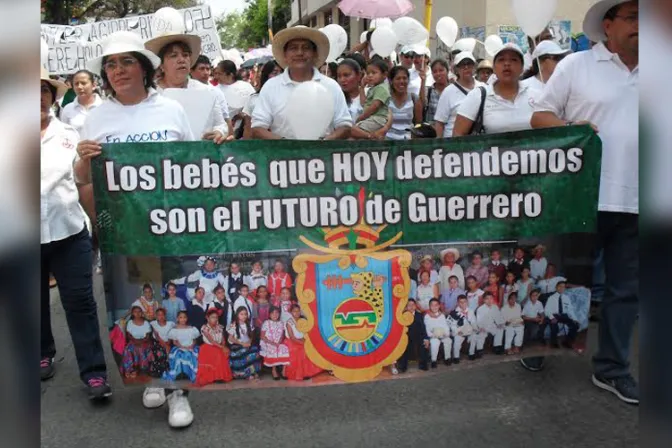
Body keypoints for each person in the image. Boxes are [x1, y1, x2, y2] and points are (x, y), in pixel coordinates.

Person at [75, 30, 196, 425]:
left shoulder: (171, 110)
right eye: (110, 64)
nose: (118, 70)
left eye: (127, 61)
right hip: (132, 234)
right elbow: (83, 180)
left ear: (144, 69)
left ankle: (180, 392)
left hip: (174, 228)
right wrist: (81, 159)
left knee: (175, 305)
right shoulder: (97, 117)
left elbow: (195, 168)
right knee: (148, 305)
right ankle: (155, 378)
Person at [529, 0, 639, 404]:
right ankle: (538, 346)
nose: (642, 26)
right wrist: (570, 126)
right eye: (632, 17)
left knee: (626, 290)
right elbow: (540, 116)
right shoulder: (577, 65)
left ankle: (612, 368)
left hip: (637, 200)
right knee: (563, 282)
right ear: (607, 26)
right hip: (580, 198)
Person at [40, 67, 111, 399]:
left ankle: (94, 372)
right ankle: (42, 353)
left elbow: (83, 179)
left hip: (68, 231)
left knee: (80, 301)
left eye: (43, 91)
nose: (36, 99)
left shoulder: (69, 134)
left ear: (53, 98)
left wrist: (98, 222)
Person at [252, 26, 352, 140]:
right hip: (282, 156)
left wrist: (326, 142)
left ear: (315, 54)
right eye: (293, 48)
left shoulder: (331, 86)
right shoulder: (271, 87)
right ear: (285, 55)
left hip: (323, 156)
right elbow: (258, 127)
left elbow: (345, 125)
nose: (300, 53)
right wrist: (288, 145)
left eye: (306, 48)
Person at [146, 33, 230, 143]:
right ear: (161, 65)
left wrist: (219, 133)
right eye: (173, 55)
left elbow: (221, 125)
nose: (181, 60)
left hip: (198, 158)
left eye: (185, 55)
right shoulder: (148, 94)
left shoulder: (207, 92)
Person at [452, 43, 540, 137]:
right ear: (494, 68)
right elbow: (458, 134)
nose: (507, 64)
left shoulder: (536, 96)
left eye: (513, 60)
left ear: (522, 67)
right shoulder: (478, 96)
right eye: (501, 60)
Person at [434, 52, 483, 138]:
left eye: (469, 64)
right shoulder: (448, 92)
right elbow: (439, 123)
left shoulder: (483, 88)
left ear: (474, 67)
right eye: (462, 65)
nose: (466, 67)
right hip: (454, 145)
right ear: (456, 69)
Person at [351, 59, 391, 140]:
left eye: (374, 73)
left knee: (353, 131)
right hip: (371, 119)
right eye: (368, 73)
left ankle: (373, 137)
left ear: (384, 75)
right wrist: (362, 87)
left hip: (377, 119)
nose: (370, 75)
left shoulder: (382, 88)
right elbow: (364, 103)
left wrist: (362, 117)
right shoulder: (373, 88)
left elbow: (374, 106)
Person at [242, 60, 282, 139]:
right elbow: (248, 129)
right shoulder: (254, 99)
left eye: (282, 72)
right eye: (275, 73)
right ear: (266, 75)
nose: (279, 76)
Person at [216, 60, 255, 137]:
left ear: (230, 75)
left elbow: (254, 106)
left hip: (244, 132)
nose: (216, 77)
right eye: (216, 73)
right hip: (223, 134)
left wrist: (243, 115)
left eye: (220, 74)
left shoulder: (246, 87)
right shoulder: (215, 90)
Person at [285, 304, 323, 380]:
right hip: (292, 342)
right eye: (294, 311)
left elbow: (307, 333)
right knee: (301, 352)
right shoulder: (289, 322)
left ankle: (308, 372)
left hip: (302, 339)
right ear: (291, 312)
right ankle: (301, 374)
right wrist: (304, 344)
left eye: (298, 311)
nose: (297, 313)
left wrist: (307, 342)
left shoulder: (303, 320)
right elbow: (292, 337)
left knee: (313, 348)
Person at [196, 308, 233, 386]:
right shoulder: (205, 328)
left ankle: (221, 376)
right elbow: (212, 341)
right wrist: (222, 348)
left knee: (225, 353)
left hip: (219, 345)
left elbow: (223, 339)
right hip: (208, 347)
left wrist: (224, 346)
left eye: (216, 317)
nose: (215, 319)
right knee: (218, 354)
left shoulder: (219, 327)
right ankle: (216, 377)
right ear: (207, 318)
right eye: (213, 317)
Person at [162, 310, 200, 383]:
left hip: (190, 347)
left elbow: (194, 340)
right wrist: (183, 347)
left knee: (192, 354)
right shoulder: (175, 330)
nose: (183, 319)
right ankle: (179, 374)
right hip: (180, 347)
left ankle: (190, 374)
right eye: (181, 317)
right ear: (177, 319)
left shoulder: (191, 328)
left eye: (184, 317)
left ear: (187, 318)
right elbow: (175, 342)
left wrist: (191, 346)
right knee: (180, 354)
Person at [385, 65, 423, 140]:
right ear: (391, 81)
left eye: (404, 78)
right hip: (388, 144)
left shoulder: (414, 99)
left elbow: (418, 124)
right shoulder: (385, 99)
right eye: (398, 78)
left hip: (408, 144)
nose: (402, 81)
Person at [227, 307, 262, 380]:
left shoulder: (248, 323)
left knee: (255, 350)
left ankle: (253, 372)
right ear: (237, 315)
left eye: (245, 314)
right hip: (237, 345)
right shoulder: (234, 325)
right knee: (245, 352)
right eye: (241, 314)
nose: (244, 316)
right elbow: (230, 338)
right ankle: (245, 374)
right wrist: (242, 344)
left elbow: (251, 336)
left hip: (247, 344)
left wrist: (249, 342)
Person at [396, 299, 430, 372]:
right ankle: (402, 366)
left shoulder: (419, 315)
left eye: (413, 305)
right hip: (406, 336)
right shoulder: (402, 315)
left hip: (418, 336)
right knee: (402, 345)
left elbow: (423, 328)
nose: (411, 307)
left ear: (415, 306)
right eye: (409, 305)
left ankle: (423, 365)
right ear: (406, 307)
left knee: (424, 344)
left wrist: (426, 338)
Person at [120, 306, 154, 378]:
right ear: (132, 313)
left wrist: (140, 342)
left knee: (141, 348)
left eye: (139, 311)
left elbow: (148, 336)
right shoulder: (130, 323)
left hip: (145, 342)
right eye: (135, 312)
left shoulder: (146, 323)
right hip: (133, 341)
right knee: (127, 350)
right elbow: (129, 335)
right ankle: (130, 369)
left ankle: (139, 368)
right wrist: (135, 342)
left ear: (142, 313)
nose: (137, 313)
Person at [544, 281, 580, 349]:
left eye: (563, 287)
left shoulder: (566, 298)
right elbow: (547, 310)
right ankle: (553, 343)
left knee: (575, 325)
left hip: (563, 315)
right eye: (560, 286)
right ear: (556, 287)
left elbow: (570, 310)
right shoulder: (551, 298)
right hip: (554, 315)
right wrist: (552, 318)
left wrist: (575, 319)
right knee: (554, 326)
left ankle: (567, 342)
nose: (561, 288)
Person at [260, 306, 291, 380]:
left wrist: (279, 342)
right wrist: (272, 343)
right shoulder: (266, 323)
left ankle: (284, 371)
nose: (275, 315)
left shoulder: (281, 323)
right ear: (269, 314)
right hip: (268, 342)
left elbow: (282, 335)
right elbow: (262, 336)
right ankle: (274, 370)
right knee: (272, 349)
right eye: (273, 313)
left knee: (285, 349)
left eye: (277, 313)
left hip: (278, 342)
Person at [424, 299, 452, 367]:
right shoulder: (427, 316)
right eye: (432, 305)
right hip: (433, 335)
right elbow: (427, 327)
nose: (434, 307)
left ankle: (447, 358)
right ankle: (434, 360)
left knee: (448, 340)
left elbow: (445, 325)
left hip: (442, 334)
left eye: (436, 305)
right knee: (434, 342)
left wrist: (446, 333)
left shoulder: (442, 315)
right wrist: (432, 335)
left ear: (439, 306)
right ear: (429, 306)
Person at [448, 295, 477, 362]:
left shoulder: (470, 311)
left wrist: (474, 328)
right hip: (459, 331)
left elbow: (473, 321)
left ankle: (471, 353)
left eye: (464, 302)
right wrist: (457, 331)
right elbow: (451, 325)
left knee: (474, 336)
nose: (463, 304)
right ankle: (456, 356)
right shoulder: (454, 312)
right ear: (458, 303)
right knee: (457, 339)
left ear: (467, 302)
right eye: (460, 302)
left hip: (469, 330)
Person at [337, 58, 366, 122]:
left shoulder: (371, 94)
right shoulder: (336, 98)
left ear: (359, 75)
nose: (342, 80)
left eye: (346, 75)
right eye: (339, 76)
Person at [149, 308, 173, 378]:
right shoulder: (153, 324)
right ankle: (160, 371)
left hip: (168, 342)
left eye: (162, 315)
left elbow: (171, 334)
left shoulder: (170, 324)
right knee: (160, 351)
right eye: (159, 315)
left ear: (165, 315)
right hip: (157, 342)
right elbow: (157, 337)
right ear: (156, 316)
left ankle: (169, 369)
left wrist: (168, 342)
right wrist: (165, 345)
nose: (161, 316)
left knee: (172, 350)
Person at [424, 59, 450, 124]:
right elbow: (422, 103)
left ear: (447, 71)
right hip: (431, 131)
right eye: (435, 71)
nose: (438, 74)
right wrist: (422, 81)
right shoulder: (428, 91)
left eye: (441, 70)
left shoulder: (454, 90)